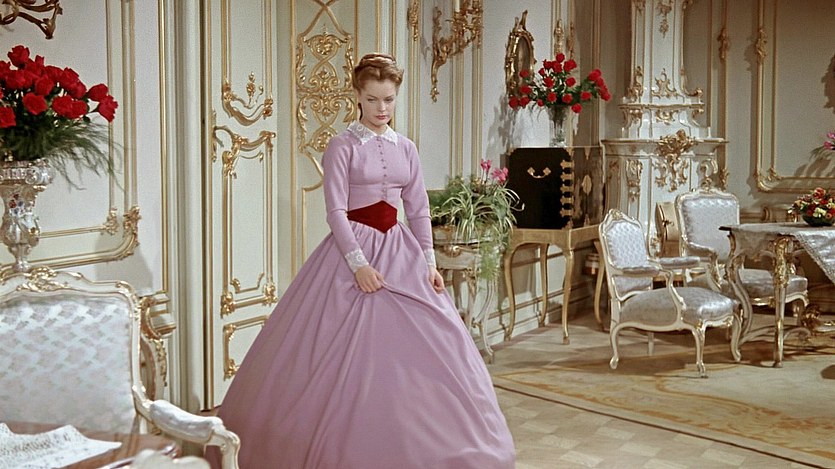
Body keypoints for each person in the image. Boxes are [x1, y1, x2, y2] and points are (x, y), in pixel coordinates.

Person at [210, 53, 515, 469]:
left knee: (432, 347)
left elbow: (419, 209)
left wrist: (429, 263)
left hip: (402, 252)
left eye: (388, 99)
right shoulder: (342, 146)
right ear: (357, 96)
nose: (381, 108)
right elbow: (335, 212)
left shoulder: (406, 148)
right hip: (352, 253)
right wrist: (359, 266)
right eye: (372, 99)